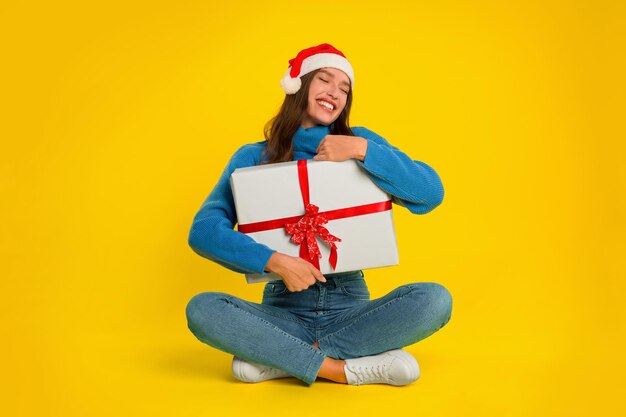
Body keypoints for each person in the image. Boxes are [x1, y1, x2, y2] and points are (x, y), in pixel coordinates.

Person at [185, 43, 452, 386]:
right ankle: (340, 368)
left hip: (351, 309)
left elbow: (430, 193)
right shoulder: (252, 156)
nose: (335, 93)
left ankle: (280, 358)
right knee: (202, 308)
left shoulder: (360, 142)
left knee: (434, 300)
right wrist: (275, 261)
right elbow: (204, 230)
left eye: (344, 88)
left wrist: (360, 149)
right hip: (282, 311)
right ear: (299, 85)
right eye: (325, 79)